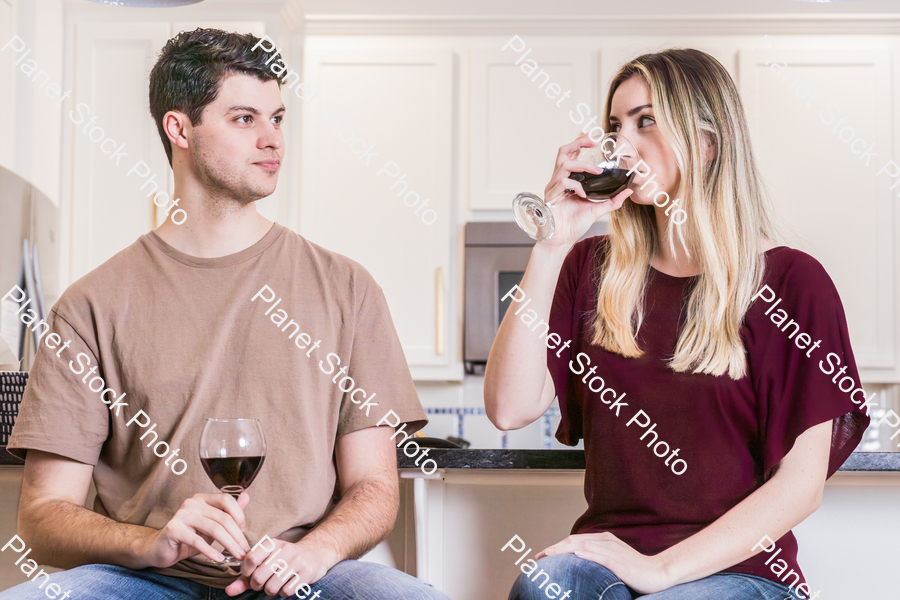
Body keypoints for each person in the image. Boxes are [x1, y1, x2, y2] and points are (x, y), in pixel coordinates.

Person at [2, 28, 449, 600]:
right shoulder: (90, 307)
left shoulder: (347, 289)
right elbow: (42, 518)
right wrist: (152, 543)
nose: (273, 140)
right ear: (179, 128)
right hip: (144, 578)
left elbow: (375, 486)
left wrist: (313, 553)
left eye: (279, 118)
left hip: (304, 573)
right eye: (244, 119)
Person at [485, 48, 869, 600]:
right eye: (614, 127)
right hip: (610, 561)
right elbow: (510, 407)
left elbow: (801, 486)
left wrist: (661, 571)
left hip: (741, 574)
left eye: (645, 121)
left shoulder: (792, 282)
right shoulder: (588, 269)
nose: (621, 143)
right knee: (546, 586)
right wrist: (550, 244)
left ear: (708, 141)